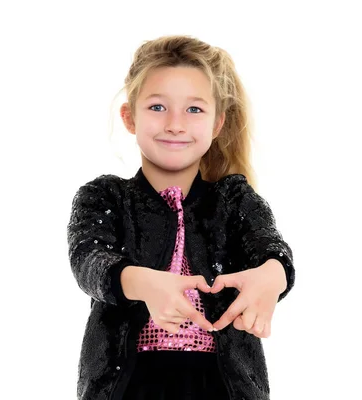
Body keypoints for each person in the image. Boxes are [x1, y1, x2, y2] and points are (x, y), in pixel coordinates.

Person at [67, 35, 295, 400]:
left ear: (218, 123)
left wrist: (272, 275)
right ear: (130, 117)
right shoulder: (105, 195)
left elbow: (268, 244)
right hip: (130, 385)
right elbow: (88, 258)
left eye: (194, 110)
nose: (175, 124)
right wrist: (140, 282)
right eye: (158, 107)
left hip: (220, 385)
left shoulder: (234, 199)